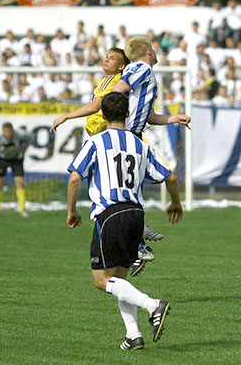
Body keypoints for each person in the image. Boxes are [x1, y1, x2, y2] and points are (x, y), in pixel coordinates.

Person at [66, 92, 183, 351]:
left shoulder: (96, 142)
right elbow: (170, 178)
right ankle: (133, 335)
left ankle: (153, 305)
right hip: (136, 216)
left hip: (110, 215)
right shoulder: (140, 144)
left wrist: (71, 211)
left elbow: (75, 178)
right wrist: (176, 203)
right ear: (128, 114)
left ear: (103, 115)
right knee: (120, 279)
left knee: (101, 280)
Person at [0, 122, 33, 218]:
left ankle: (22, 209)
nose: (8, 135)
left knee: (20, 182)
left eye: (10, 132)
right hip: (1, 159)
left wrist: (23, 150)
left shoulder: (20, 134)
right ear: (3, 131)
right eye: (6, 132)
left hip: (16, 159)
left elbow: (31, 138)